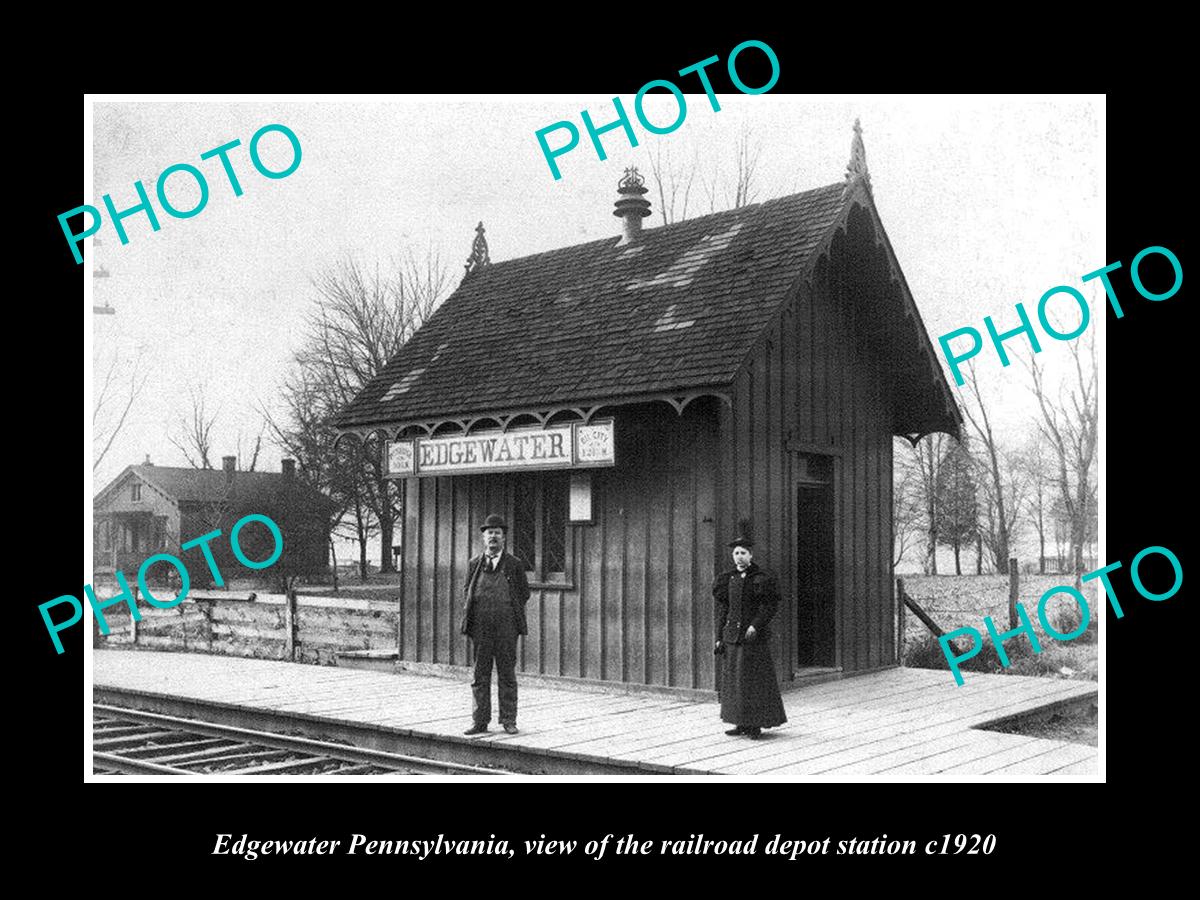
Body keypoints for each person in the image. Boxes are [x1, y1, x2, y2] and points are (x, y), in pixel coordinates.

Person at [460, 514, 531, 735]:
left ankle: (508, 721)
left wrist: (506, 612)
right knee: (480, 675)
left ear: (504, 538)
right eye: (489, 533)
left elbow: (524, 593)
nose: (493, 537)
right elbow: (467, 592)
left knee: (507, 675)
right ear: (483, 537)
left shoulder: (514, 564)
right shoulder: (474, 564)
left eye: (497, 533)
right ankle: (479, 721)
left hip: (506, 629)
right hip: (480, 628)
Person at [713, 536, 787, 738]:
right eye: (736, 553)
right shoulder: (727, 579)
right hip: (732, 638)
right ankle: (739, 723)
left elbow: (769, 606)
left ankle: (754, 725)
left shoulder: (761, 577)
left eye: (743, 553)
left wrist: (755, 625)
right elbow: (724, 610)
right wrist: (719, 636)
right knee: (735, 682)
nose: (739, 557)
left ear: (751, 555)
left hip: (753, 638)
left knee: (752, 682)